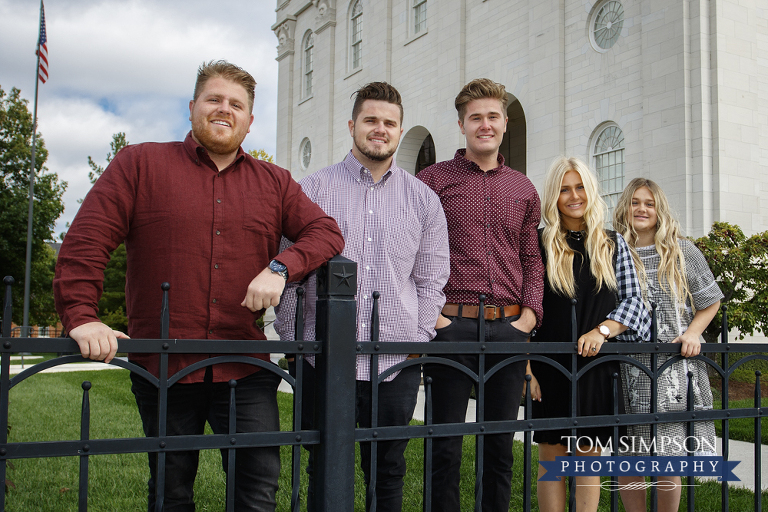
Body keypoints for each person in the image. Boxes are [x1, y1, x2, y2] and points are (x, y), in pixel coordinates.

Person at [53, 60, 345, 512]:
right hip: (164, 364)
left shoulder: (275, 181)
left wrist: (281, 268)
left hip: (244, 365)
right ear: (192, 107)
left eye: (237, 104)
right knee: (171, 493)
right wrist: (83, 315)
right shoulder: (138, 163)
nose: (224, 110)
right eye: (214, 99)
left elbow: (325, 231)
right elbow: (86, 241)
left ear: (249, 120)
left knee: (257, 491)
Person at [274, 82, 450, 512]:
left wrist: (416, 341)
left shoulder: (423, 199)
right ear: (353, 125)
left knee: (388, 471)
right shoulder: (311, 190)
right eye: (371, 120)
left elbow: (431, 278)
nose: (380, 129)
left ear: (399, 129)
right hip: (323, 357)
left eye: (389, 123)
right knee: (321, 465)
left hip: (394, 361)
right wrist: (297, 342)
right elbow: (289, 269)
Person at [416, 78, 544, 512]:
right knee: (444, 446)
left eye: (492, 116)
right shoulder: (432, 181)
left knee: (499, 449)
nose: (484, 125)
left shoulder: (523, 188)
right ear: (461, 124)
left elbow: (532, 257)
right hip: (451, 326)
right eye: (476, 118)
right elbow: (415, 252)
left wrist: (528, 317)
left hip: (509, 329)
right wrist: (434, 317)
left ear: (505, 122)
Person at [527, 156, 649, 512]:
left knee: (587, 455)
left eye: (579, 187)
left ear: (591, 191)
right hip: (549, 365)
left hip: (597, 365)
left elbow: (635, 303)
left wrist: (603, 330)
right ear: (554, 195)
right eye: (564, 189)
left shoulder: (612, 244)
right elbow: (528, 307)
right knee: (551, 457)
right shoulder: (539, 244)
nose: (573, 195)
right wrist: (528, 366)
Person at [613, 178, 722, 512]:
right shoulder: (611, 249)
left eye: (649, 203)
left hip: (673, 367)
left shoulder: (681, 249)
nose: (641, 209)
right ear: (624, 208)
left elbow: (710, 300)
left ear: (659, 209)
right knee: (628, 456)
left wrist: (693, 333)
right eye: (634, 202)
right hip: (625, 364)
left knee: (667, 456)